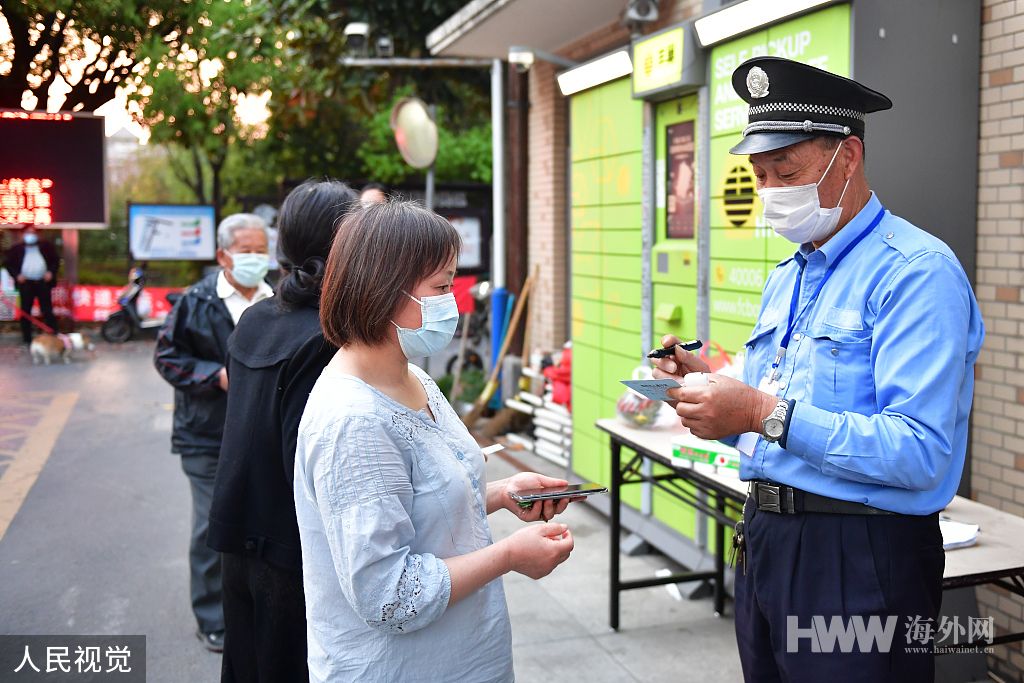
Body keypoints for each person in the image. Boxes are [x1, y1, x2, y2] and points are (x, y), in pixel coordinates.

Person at [653, 57, 984, 682]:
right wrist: (714, 393)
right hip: (767, 544)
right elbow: (776, 412)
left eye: (788, 171)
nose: (772, 190)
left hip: (857, 557)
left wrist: (757, 411)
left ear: (848, 157)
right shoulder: (789, 275)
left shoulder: (915, 272)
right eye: (760, 175)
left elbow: (921, 451)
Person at [294, 201, 575, 682]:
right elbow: (388, 594)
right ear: (382, 290)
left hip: (462, 655)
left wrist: (502, 495)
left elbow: (414, 508)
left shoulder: (414, 376)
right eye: (442, 287)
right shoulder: (354, 424)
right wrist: (509, 555)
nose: (454, 302)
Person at [208, 179, 358, 681]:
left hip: (238, 532)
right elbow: (319, 464)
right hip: (291, 550)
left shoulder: (254, 319)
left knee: (246, 664)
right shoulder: (327, 337)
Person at [153, 213, 273, 653]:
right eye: (247, 250)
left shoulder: (274, 297)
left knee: (259, 522)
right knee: (211, 524)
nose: (256, 258)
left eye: (262, 249)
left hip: (258, 434)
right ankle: (212, 617)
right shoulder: (196, 301)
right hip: (206, 436)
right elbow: (167, 356)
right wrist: (214, 377)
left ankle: (250, 608)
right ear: (223, 255)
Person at [4, 227, 59, 344]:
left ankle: (53, 335)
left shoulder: (46, 247)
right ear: (23, 234)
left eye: (33, 233)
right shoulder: (16, 249)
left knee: (47, 310)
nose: (31, 235)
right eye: (28, 233)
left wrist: (51, 272)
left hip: (42, 283)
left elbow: (55, 261)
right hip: (26, 284)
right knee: (25, 311)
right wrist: (17, 275)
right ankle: (27, 339)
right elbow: (8, 264)